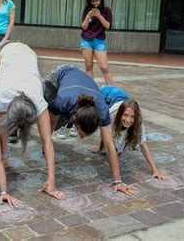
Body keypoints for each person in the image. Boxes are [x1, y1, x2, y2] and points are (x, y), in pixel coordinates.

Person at [0, 41, 66, 200]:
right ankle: (1, 154)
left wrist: (52, 182)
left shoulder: (38, 101)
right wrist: (4, 157)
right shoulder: (2, 97)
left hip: (28, 54)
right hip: (1, 52)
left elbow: (47, 141)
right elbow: (1, 126)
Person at [42, 65, 137, 196]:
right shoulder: (62, 101)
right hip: (61, 73)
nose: (81, 138)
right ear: (75, 119)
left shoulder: (102, 111)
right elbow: (49, 130)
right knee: (38, 110)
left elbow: (110, 145)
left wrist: (118, 181)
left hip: (79, 85)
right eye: (81, 134)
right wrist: (46, 149)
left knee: (59, 122)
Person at [95, 86, 170, 181]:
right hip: (105, 93)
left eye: (132, 117)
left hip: (120, 96)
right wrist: (103, 148)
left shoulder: (138, 121)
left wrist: (155, 170)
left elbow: (143, 145)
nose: (128, 120)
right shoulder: (111, 116)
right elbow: (106, 136)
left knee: (117, 149)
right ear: (120, 114)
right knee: (103, 131)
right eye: (125, 115)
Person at [80, 0, 113, 85]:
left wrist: (99, 16)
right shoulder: (87, 10)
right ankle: (91, 89)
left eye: (97, 0)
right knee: (88, 66)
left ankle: (111, 90)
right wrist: (88, 17)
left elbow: (108, 26)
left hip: (99, 41)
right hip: (86, 40)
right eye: (92, 1)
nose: (95, 3)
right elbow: (83, 28)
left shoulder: (107, 10)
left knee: (104, 67)